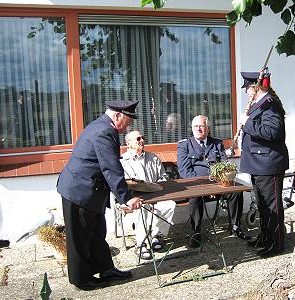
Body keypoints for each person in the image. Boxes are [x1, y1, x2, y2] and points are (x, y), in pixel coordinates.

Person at [56, 100, 143, 290]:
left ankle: (106, 269)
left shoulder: (102, 126)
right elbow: (110, 168)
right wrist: (126, 198)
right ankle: (82, 280)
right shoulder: (105, 131)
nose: (129, 125)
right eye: (128, 121)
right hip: (79, 191)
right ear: (118, 115)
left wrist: (123, 193)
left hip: (89, 191)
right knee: (79, 238)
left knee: (96, 233)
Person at [177, 115, 251, 248]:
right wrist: (207, 188)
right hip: (198, 187)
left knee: (236, 192)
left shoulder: (217, 143)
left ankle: (235, 226)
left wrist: (216, 186)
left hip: (219, 185)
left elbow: (224, 166)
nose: (198, 129)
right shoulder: (184, 146)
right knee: (195, 197)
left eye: (201, 126)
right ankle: (196, 232)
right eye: (195, 126)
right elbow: (185, 172)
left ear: (207, 128)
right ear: (191, 128)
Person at [239, 70, 289, 257]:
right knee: (262, 206)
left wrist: (247, 123)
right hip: (258, 163)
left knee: (272, 207)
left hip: (268, 164)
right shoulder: (258, 104)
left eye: (247, 88)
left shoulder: (270, 105)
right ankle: (265, 237)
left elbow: (273, 133)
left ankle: (276, 244)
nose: (245, 92)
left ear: (254, 87)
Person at [120, 130, 176, 260]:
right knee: (142, 208)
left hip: (155, 195)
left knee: (170, 205)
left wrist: (160, 186)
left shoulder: (153, 157)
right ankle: (141, 244)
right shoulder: (122, 161)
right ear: (128, 143)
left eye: (143, 138)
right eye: (138, 139)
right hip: (132, 198)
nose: (141, 141)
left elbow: (162, 177)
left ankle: (156, 235)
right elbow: (120, 184)